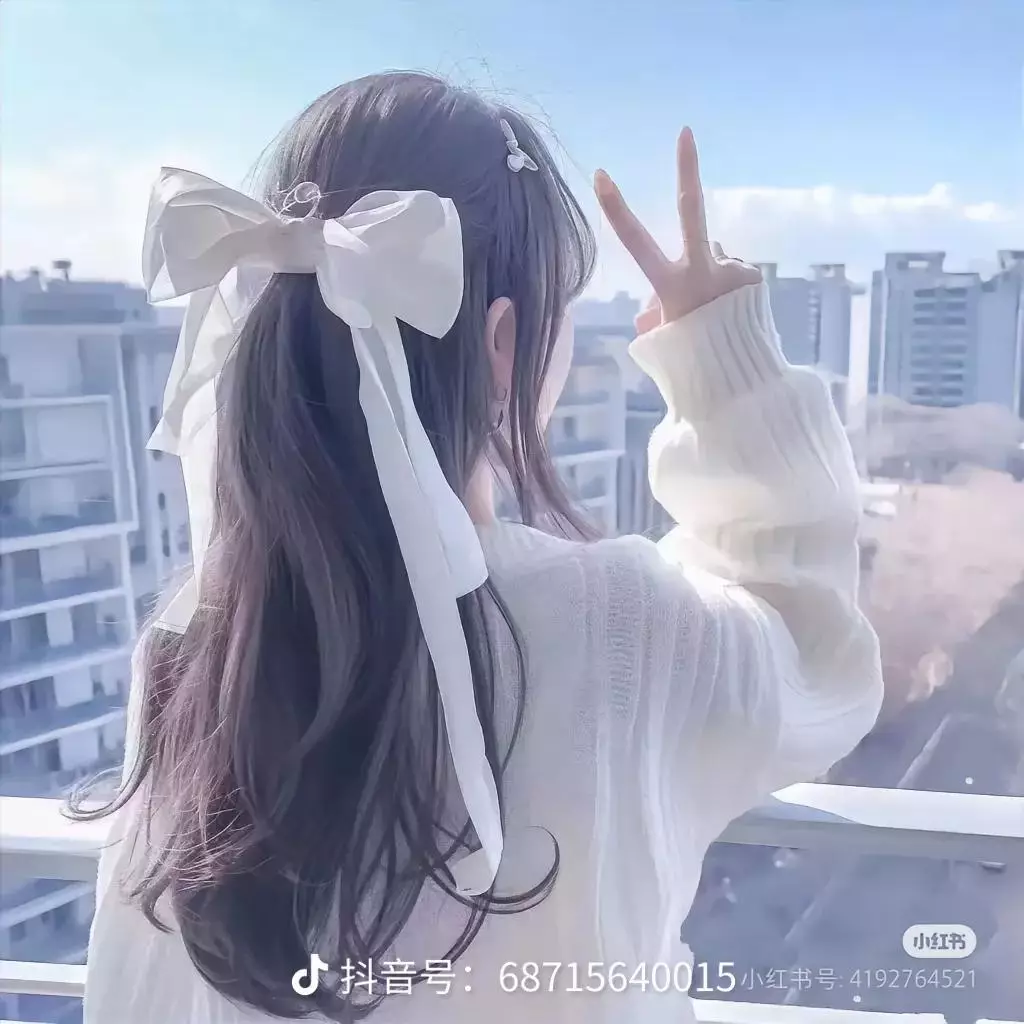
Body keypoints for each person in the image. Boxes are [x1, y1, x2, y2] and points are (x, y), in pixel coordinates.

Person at [79, 71, 883, 1024]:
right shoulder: (615, 631)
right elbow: (810, 656)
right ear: (503, 346)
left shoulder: (197, 639)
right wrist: (727, 366)